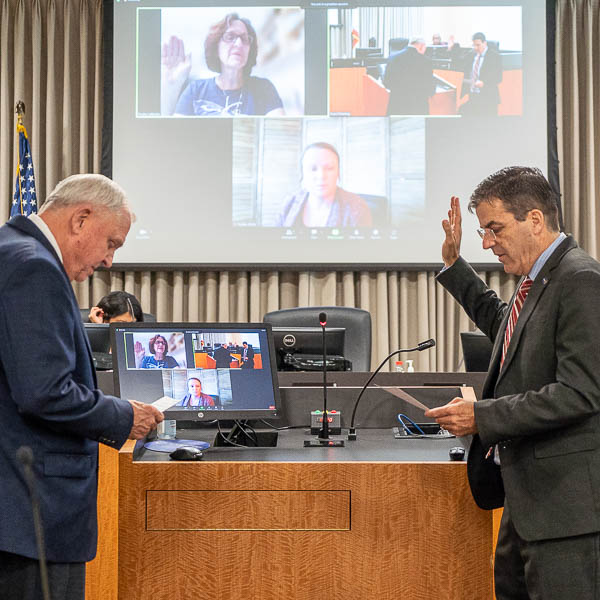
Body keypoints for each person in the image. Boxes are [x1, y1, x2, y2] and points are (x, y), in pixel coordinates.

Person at [426, 167, 600, 599]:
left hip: (566, 518)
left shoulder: (580, 280)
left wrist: (481, 416)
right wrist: (454, 266)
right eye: (484, 231)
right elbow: (505, 325)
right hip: (525, 507)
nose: (486, 242)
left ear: (535, 220)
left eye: (495, 228)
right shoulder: (538, 280)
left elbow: (580, 392)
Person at [0, 173, 163, 600]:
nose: (109, 261)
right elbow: (44, 392)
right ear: (81, 219)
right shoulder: (33, 267)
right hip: (30, 515)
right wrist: (125, 415)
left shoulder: (10, 251)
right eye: (112, 242)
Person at [162, 13, 284, 117]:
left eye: (244, 38)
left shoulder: (263, 89)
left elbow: (282, 133)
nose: (239, 44)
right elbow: (173, 134)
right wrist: (172, 86)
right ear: (216, 47)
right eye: (230, 36)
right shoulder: (196, 91)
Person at [276, 142, 373, 228]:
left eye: (330, 168)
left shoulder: (357, 207)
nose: (321, 176)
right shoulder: (289, 203)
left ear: (338, 172)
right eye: (313, 168)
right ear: (303, 173)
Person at [383, 37, 435, 115]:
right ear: (421, 46)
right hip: (418, 108)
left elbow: (386, 83)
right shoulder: (426, 61)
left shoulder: (393, 58)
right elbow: (430, 88)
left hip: (397, 107)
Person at [460, 32, 502, 116]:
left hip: (488, 98)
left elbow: (498, 77)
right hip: (473, 96)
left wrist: (484, 83)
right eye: (474, 45)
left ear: (485, 43)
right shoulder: (471, 55)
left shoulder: (494, 56)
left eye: (478, 45)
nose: (475, 48)